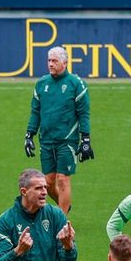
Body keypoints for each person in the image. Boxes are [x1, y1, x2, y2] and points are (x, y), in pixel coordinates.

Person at [23, 45, 92, 213]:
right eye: (49, 60)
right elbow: (35, 112)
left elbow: (83, 113)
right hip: (46, 140)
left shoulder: (76, 84)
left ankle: (62, 220)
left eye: (54, 61)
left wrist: (85, 139)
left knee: (62, 179)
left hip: (67, 140)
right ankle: (64, 205)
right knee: (47, 182)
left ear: (65, 63)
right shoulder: (42, 84)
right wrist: (29, 134)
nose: (50, 64)